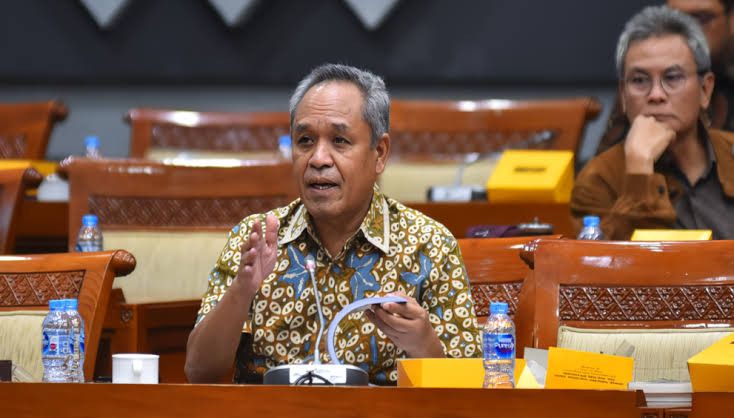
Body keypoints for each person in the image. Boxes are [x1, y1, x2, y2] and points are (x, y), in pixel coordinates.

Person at [185, 63, 481, 385]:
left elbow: (468, 391)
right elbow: (199, 371)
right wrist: (242, 291)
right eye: (305, 141)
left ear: (379, 153)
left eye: (339, 141)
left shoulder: (430, 245)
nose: (318, 159)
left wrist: (425, 346)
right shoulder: (256, 239)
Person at [571, 6, 734, 240]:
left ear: (705, 89)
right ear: (623, 95)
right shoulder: (598, 179)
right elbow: (608, 260)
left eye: (672, 77)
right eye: (640, 80)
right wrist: (639, 172)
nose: (656, 94)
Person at [597, 0, 734, 155]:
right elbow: (607, 157)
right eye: (676, 20)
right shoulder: (646, 75)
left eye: (701, 18)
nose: (688, 31)